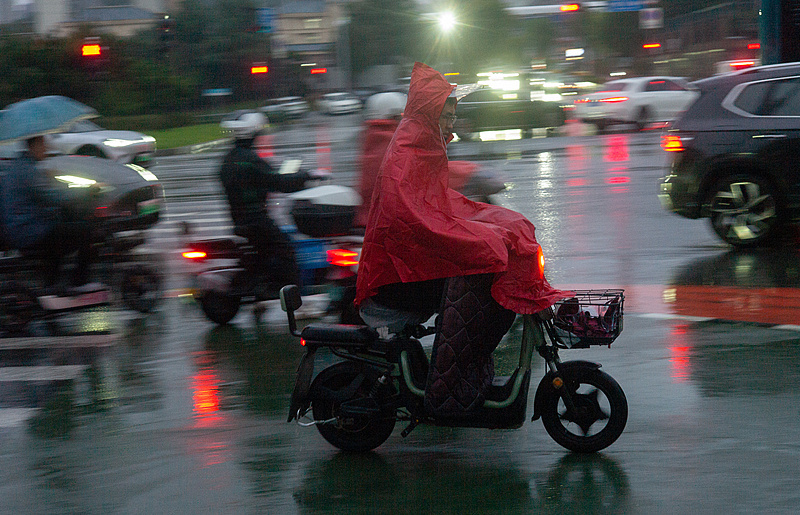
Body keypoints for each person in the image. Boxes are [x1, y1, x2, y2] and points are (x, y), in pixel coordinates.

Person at [355, 62, 569, 416]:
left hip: (412, 265)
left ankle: (470, 370)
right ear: (430, 114)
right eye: (448, 113)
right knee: (483, 273)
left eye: (455, 113)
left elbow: (441, 202)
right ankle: (450, 387)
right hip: (398, 275)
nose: (453, 122)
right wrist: (481, 238)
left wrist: (497, 223)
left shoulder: (423, 146)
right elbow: (416, 219)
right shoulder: (406, 154)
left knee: (511, 232)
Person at [218, 110, 314, 294]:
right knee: (286, 250)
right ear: (252, 132)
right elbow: (278, 182)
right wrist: (306, 175)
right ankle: (291, 296)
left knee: (265, 253)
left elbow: (259, 181)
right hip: (256, 220)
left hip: (240, 218)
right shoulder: (249, 159)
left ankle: (262, 284)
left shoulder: (230, 159)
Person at [1, 135, 99, 291]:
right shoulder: (28, 171)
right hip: (28, 232)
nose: (46, 149)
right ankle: (79, 283)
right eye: (43, 145)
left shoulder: (20, 167)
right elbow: (53, 197)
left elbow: (41, 196)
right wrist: (86, 191)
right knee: (84, 232)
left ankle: (51, 284)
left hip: (22, 228)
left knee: (61, 231)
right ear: (35, 146)